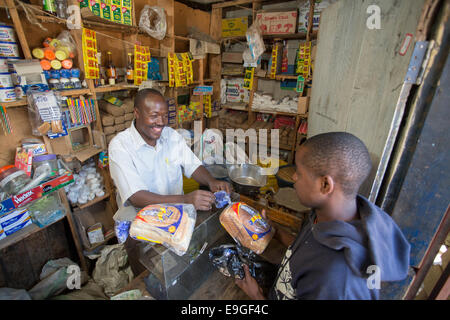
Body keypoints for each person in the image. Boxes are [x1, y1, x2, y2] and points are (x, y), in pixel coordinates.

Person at [235, 132, 411, 300]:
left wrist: (256, 296)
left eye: (300, 172)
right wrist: (275, 231)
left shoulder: (336, 280)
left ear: (325, 184)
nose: (294, 177)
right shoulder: (329, 216)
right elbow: (309, 247)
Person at [108, 88, 230, 274]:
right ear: (137, 113)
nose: (161, 122)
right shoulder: (120, 146)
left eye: (164, 116)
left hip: (175, 216)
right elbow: (136, 197)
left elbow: (192, 165)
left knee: (174, 266)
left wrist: (211, 181)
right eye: (154, 115)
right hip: (140, 221)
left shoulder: (171, 136)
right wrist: (187, 200)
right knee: (147, 271)